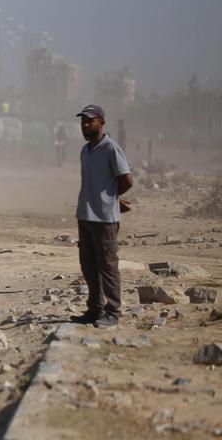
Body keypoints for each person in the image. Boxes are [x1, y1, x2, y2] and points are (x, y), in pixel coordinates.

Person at [71, 104, 133, 328]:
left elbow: (126, 179)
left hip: (105, 218)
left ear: (101, 123)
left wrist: (111, 198)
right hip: (85, 216)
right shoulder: (85, 151)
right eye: (83, 122)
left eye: (90, 121)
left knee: (107, 266)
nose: (86, 125)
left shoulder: (110, 148)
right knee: (88, 266)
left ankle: (113, 312)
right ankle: (94, 309)